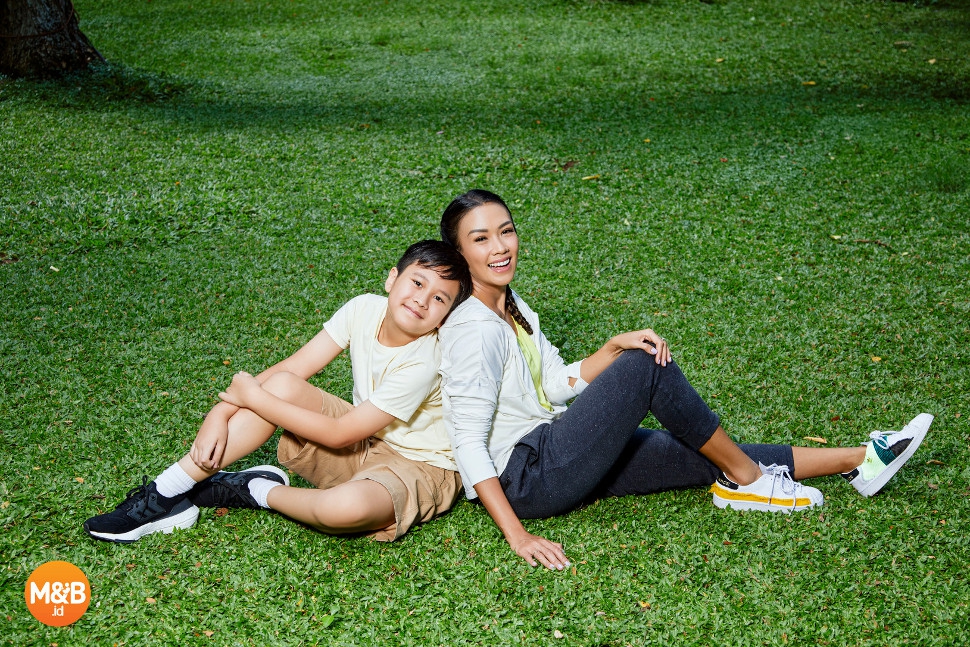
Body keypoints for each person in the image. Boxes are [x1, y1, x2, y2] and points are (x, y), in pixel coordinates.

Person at [436, 189, 932, 570]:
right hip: (528, 477)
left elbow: (548, 385)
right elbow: (468, 443)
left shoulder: (511, 305)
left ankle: (859, 461)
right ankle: (749, 482)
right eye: (481, 239)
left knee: (705, 453)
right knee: (644, 367)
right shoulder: (474, 330)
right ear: (459, 254)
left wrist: (610, 349)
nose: (500, 247)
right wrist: (518, 535)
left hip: (556, 448)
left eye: (506, 231)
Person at [84, 240, 472, 544]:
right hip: (368, 441)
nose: (422, 299)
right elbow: (292, 369)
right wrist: (219, 412)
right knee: (282, 385)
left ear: (446, 317)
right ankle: (165, 492)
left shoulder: (426, 360)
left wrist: (253, 397)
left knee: (345, 509)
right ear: (392, 279)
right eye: (417, 282)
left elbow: (341, 433)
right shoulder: (363, 309)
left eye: (439, 298)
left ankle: (253, 488)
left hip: (421, 466)